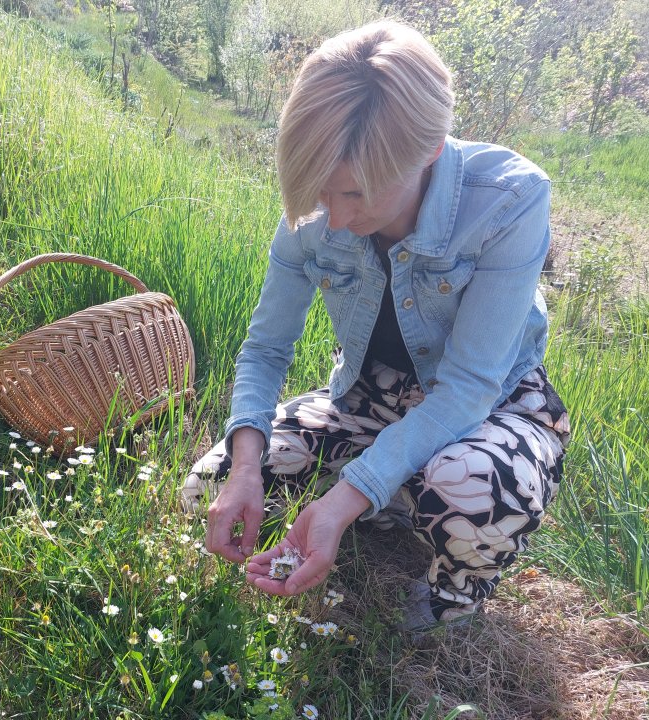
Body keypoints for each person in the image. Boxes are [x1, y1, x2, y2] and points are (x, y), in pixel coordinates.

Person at [181, 19, 570, 630]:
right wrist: (248, 466)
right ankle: (394, 496)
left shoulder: (508, 201)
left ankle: (454, 590)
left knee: (469, 487)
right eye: (319, 192)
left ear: (429, 151)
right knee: (211, 486)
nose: (333, 219)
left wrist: (343, 498)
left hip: (492, 403)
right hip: (370, 394)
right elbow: (266, 349)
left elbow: (469, 387)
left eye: (356, 195)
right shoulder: (318, 205)